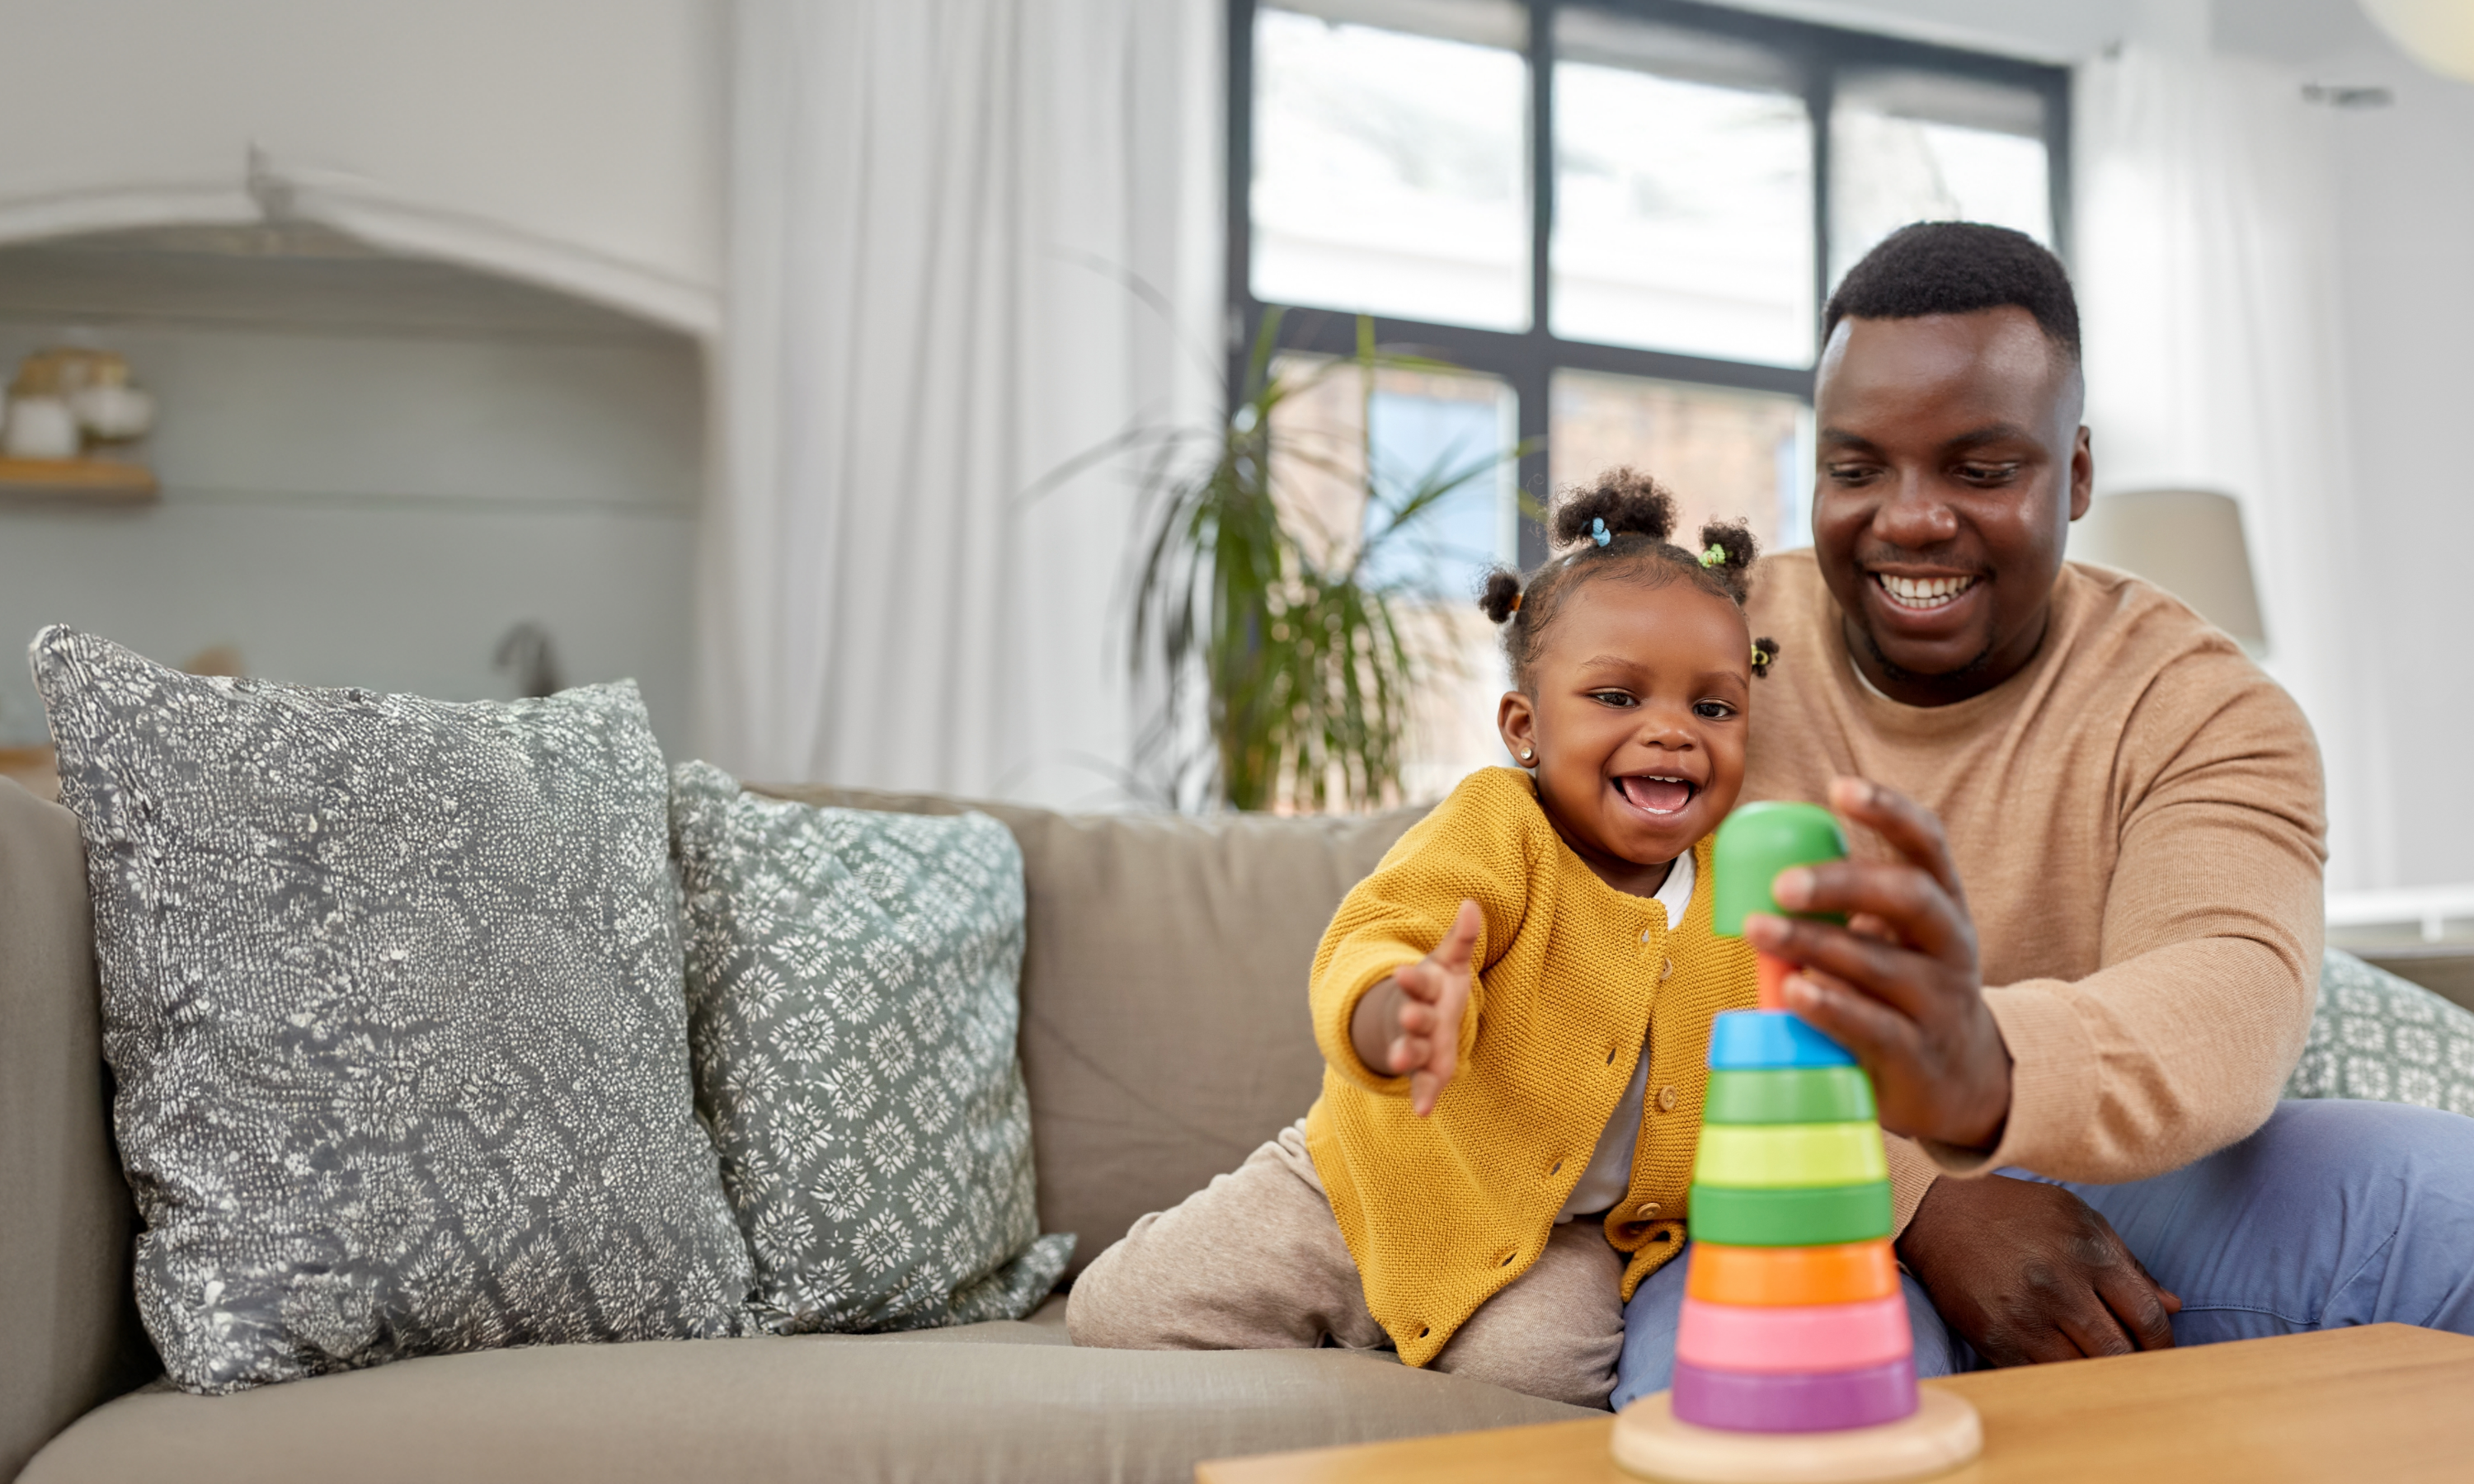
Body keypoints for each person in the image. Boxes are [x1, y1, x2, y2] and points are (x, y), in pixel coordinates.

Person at [1611, 222, 2474, 1406]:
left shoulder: (2202, 703)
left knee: (2451, 1202)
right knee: (1775, 1413)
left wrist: (1981, 1077)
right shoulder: (1698, 656)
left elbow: (2227, 999)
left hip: (2129, 1191)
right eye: (1857, 469)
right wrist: (1923, 1187)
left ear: (2073, 473)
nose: (1910, 520)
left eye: (1980, 469)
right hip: (1747, 1188)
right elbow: (1578, 989)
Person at [1069, 477, 1789, 1407]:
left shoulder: (1746, 880)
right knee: (1119, 1309)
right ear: (1525, 728)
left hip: (1558, 1233)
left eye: (1714, 709)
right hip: (1364, 1180)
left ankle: (1397, 1341)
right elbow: (1384, 934)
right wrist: (1397, 1009)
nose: (1671, 733)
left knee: (1539, 1377)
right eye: (1616, 696)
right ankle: (1362, 1320)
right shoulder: (1498, 827)